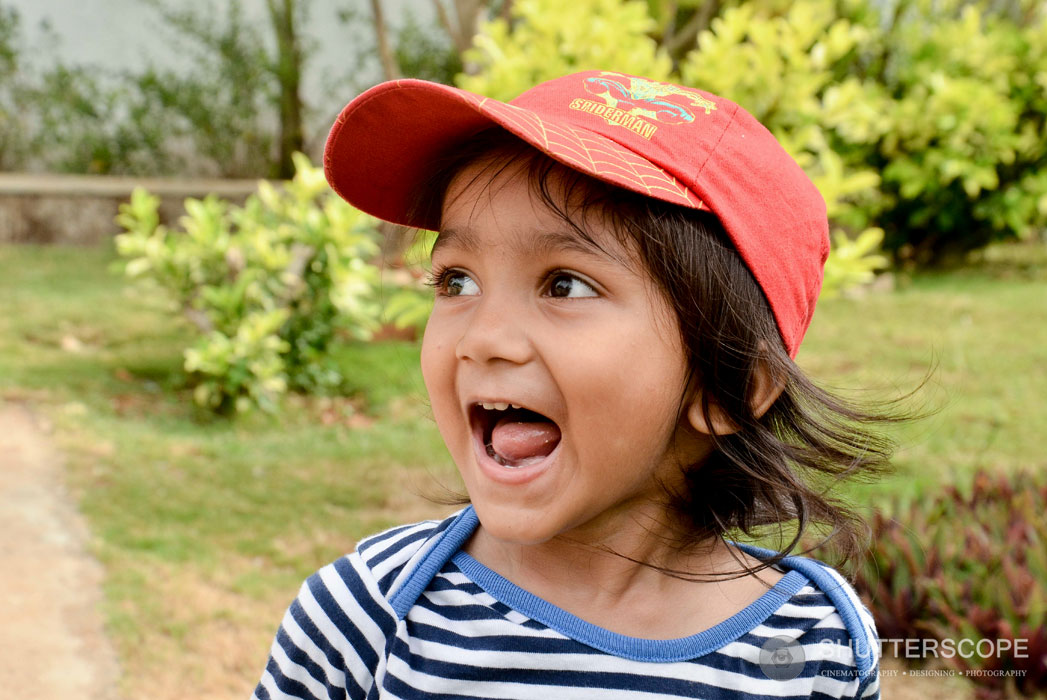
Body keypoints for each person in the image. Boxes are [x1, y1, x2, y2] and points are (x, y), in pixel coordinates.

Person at [252, 70, 895, 699]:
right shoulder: (369, 616)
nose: (482, 338)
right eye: (456, 281)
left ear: (731, 387)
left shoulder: (815, 649)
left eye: (565, 285)